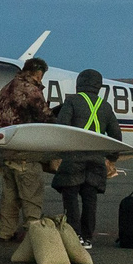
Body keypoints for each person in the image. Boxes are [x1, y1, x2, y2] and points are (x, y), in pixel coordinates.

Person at [50, 68, 122, 245]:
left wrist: (58, 153)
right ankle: (88, 237)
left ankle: (75, 235)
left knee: (71, 196)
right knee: (90, 198)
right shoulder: (105, 106)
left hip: (74, 158)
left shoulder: (72, 101)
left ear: (79, 83)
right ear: (98, 86)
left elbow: (62, 128)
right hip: (96, 160)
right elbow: (116, 135)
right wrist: (111, 158)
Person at [0, 57, 53, 240]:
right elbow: (45, 117)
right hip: (26, 151)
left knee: (9, 198)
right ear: (38, 72)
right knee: (31, 197)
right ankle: (34, 237)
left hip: (7, 150)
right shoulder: (31, 90)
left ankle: (5, 232)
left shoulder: (5, 89)